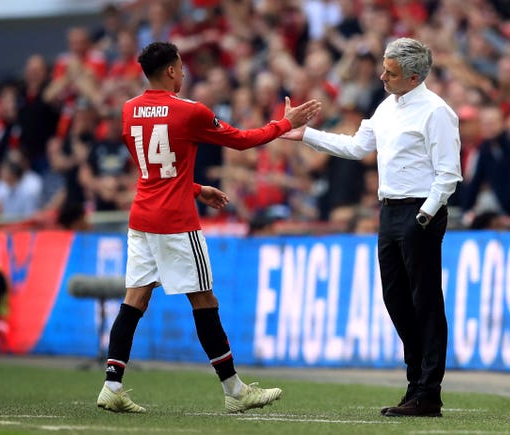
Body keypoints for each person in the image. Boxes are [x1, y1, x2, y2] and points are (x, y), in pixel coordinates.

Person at [96, 41, 321, 414]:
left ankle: (112, 385)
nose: (183, 73)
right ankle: (235, 391)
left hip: (142, 219)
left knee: (134, 300)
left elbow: (153, 168)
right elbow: (242, 141)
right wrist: (286, 124)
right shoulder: (189, 111)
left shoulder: (129, 109)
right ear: (170, 70)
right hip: (175, 222)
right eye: (181, 67)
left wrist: (197, 188)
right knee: (204, 300)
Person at [282, 37, 461, 417]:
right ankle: (417, 384)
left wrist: (424, 216)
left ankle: (429, 391)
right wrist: (307, 136)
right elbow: (357, 147)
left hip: (419, 211)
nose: (382, 76)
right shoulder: (387, 107)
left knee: (425, 301)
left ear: (413, 77)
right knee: (396, 300)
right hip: (389, 209)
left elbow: (448, 175)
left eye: (390, 72)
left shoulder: (436, 112)